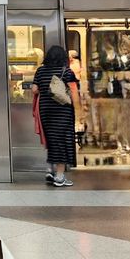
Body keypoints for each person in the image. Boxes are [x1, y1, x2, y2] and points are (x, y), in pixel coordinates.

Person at [32, 45, 82, 187]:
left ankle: (50, 169)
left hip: (46, 111)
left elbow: (35, 89)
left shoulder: (40, 71)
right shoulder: (66, 72)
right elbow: (73, 92)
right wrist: (79, 111)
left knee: (52, 139)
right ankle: (59, 177)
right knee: (63, 141)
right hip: (63, 111)